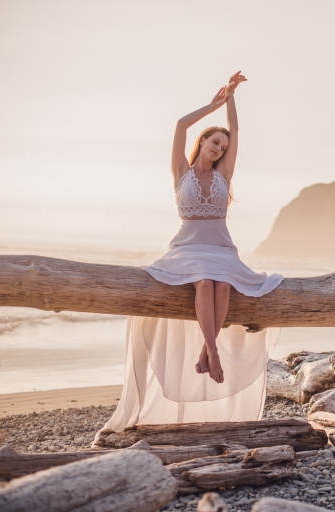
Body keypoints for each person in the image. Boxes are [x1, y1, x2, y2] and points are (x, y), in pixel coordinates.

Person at [101, 71, 283, 432]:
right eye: (215, 142)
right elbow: (181, 124)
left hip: (221, 246)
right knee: (204, 282)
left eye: (223, 147)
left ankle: (205, 349)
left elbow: (236, 129)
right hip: (187, 246)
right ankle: (213, 352)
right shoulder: (180, 172)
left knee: (224, 284)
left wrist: (232, 98)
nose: (219, 149)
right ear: (203, 143)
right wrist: (214, 103)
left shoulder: (223, 176)